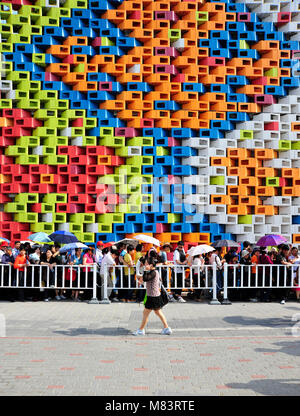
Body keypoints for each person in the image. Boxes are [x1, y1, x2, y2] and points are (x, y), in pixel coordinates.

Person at [132, 257, 172, 336]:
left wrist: (145, 271)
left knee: (146, 313)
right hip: (154, 296)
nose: (145, 265)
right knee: (158, 312)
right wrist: (141, 277)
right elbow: (145, 278)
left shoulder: (153, 272)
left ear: (150, 264)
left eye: (146, 263)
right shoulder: (153, 272)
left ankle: (141, 330)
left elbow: (146, 278)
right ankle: (167, 328)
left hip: (153, 296)